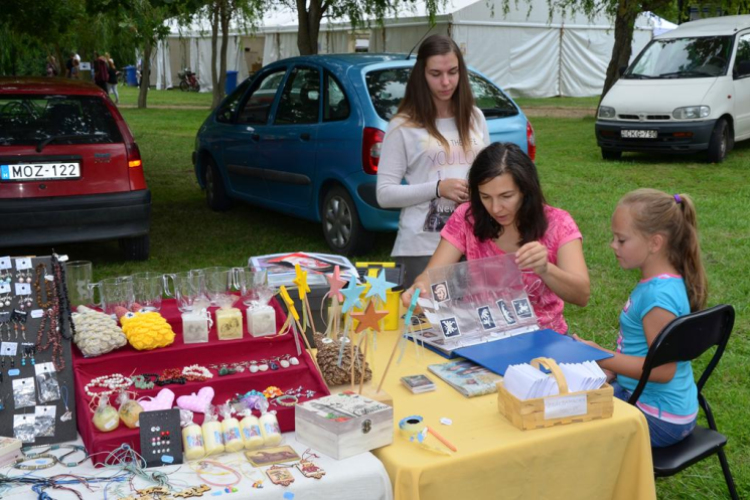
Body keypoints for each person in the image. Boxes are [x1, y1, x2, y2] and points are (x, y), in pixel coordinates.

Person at [402, 142, 590, 334]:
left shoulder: (558, 223)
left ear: (525, 190)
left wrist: (545, 269)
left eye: (506, 196)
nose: (495, 208)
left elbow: (581, 295)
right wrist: (420, 289)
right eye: (485, 197)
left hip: (542, 339)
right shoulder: (467, 217)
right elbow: (432, 275)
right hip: (481, 334)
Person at [574, 189, 707, 447]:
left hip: (659, 417)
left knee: (569, 424)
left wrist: (599, 354)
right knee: (571, 402)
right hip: (656, 403)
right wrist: (611, 368)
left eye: (621, 240)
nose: (613, 245)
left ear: (654, 243)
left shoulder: (658, 298)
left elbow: (662, 370)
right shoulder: (664, 283)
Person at [376, 34, 490, 287]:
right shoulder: (402, 125)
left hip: (475, 241)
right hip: (422, 247)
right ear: (421, 74)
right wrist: (438, 188)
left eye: (452, 71)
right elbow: (384, 195)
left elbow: (490, 176)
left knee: (473, 321)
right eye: (436, 73)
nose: (446, 82)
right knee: (425, 324)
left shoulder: (475, 118)